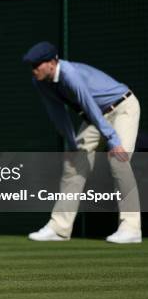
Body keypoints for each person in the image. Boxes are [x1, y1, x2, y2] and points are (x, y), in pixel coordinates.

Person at [23, 41, 142, 244]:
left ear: (52, 62)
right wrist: (71, 143)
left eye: (37, 65)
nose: (34, 70)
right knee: (73, 163)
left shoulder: (70, 74)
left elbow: (88, 103)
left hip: (123, 107)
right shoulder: (40, 82)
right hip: (95, 117)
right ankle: (59, 228)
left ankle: (131, 228)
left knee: (119, 160)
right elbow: (57, 113)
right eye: (31, 66)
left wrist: (113, 140)